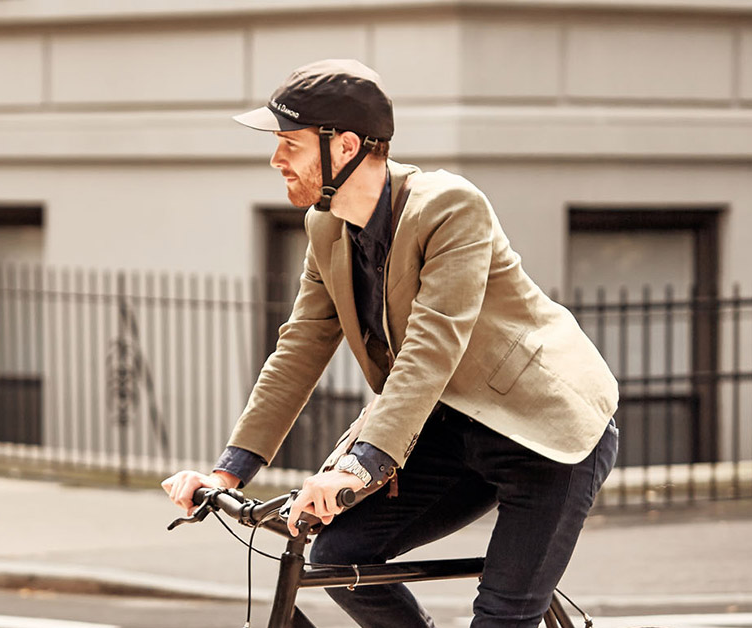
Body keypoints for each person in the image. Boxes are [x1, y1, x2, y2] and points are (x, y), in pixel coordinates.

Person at [162, 58, 620, 628]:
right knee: (337, 557)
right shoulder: (325, 226)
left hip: (546, 431)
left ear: (345, 146)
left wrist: (361, 468)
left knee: (504, 614)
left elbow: (431, 347)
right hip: (451, 427)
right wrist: (228, 473)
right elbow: (299, 348)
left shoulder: (450, 207)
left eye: (290, 144)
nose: (276, 159)